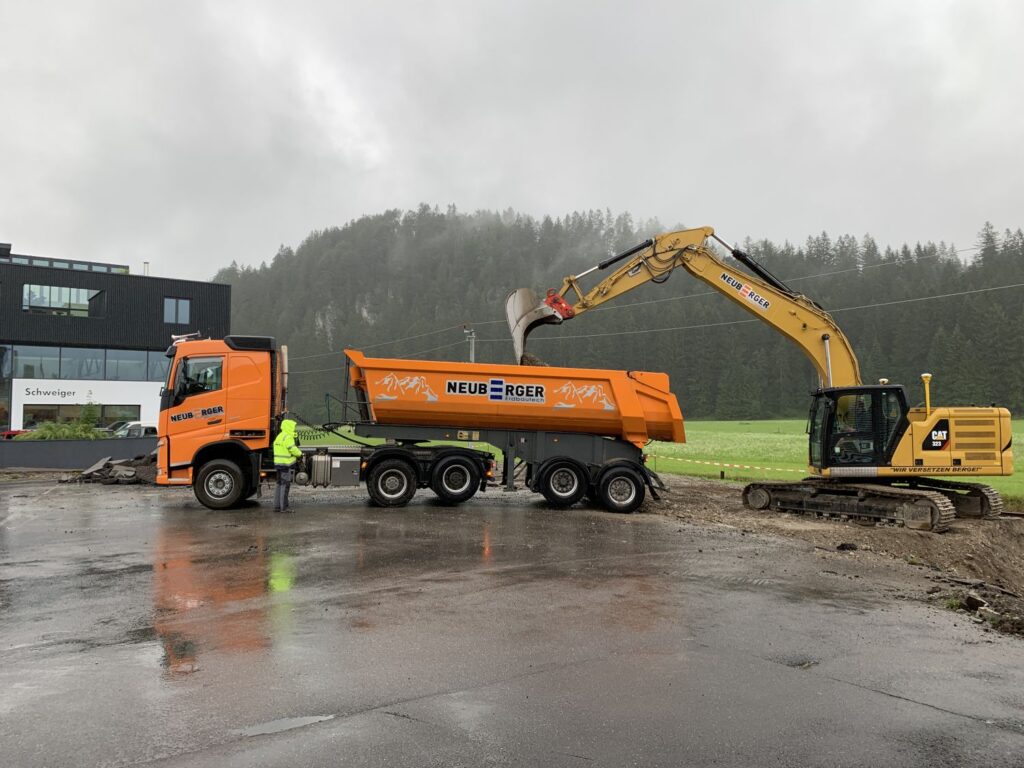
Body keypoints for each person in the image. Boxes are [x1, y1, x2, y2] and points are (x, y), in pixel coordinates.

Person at [272, 417, 302, 513]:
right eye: (293, 427)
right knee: (285, 486)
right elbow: (292, 449)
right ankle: (284, 508)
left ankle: (277, 506)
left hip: (278, 464)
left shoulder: (280, 436)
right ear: (289, 427)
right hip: (286, 464)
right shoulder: (288, 437)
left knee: (279, 485)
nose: (294, 428)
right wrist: (300, 454)